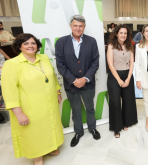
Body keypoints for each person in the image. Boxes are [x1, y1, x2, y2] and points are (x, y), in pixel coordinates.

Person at [2, 34, 64, 165]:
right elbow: (9, 91)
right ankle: (37, 156)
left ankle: (50, 147)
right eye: (26, 43)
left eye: (33, 43)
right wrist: (18, 113)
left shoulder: (44, 58)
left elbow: (51, 76)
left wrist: (58, 91)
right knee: (34, 131)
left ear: (37, 45)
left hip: (49, 101)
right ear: (19, 46)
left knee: (49, 125)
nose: (30, 46)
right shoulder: (12, 64)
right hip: (29, 106)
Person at [55, 15, 100, 147]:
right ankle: (78, 132)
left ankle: (92, 128)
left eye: (81, 26)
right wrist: (74, 80)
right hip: (71, 84)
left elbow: (95, 62)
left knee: (90, 108)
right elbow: (60, 65)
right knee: (75, 110)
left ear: (84, 27)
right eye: (75, 25)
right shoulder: (61, 42)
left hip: (88, 83)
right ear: (71, 26)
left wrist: (85, 79)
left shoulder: (91, 41)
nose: (78, 28)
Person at [106, 24, 138, 138]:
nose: (123, 35)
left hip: (127, 74)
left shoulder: (130, 45)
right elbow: (110, 64)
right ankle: (116, 127)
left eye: (125, 33)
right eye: (121, 33)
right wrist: (119, 80)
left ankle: (126, 122)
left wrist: (129, 78)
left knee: (127, 101)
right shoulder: (111, 46)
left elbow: (132, 63)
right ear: (116, 34)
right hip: (115, 75)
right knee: (115, 102)